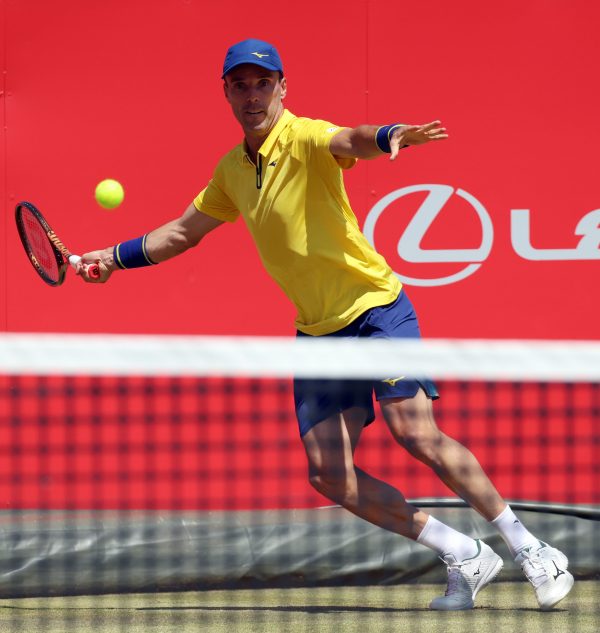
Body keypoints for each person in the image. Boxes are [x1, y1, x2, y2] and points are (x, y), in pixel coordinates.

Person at [77, 38, 574, 611]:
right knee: (329, 476)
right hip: (318, 332)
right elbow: (182, 232)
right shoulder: (231, 170)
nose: (252, 95)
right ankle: (462, 551)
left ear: (282, 88)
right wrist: (111, 258)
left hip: (375, 308)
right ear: (227, 94)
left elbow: (350, 139)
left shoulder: (306, 137)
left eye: (263, 83)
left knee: (415, 432)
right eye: (240, 85)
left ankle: (531, 548)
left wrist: (389, 136)